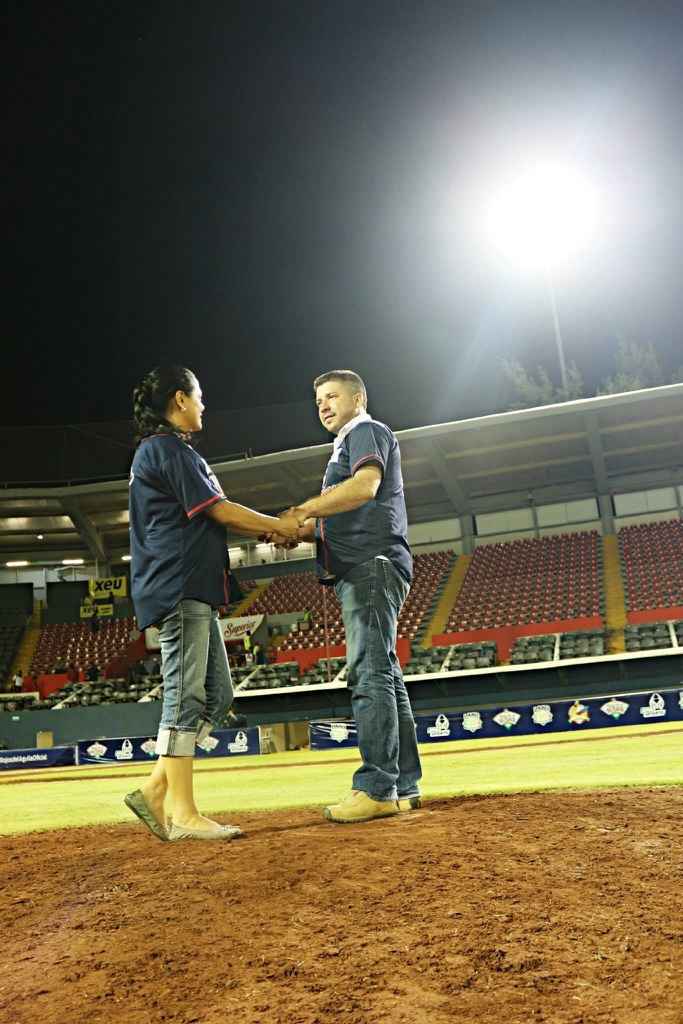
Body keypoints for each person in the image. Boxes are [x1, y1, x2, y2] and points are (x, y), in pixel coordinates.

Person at [124, 365, 298, 843]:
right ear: (180, 399)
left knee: (218, 698)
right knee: (185, 696)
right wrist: (281, 526)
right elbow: (218, 510)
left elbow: (212, 516)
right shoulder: (165, 448)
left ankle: (156, 789)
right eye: (199, 397)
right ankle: (182, 812)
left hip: (194, 584)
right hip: (178, 584)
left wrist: (266, 528)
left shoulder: (167, 451)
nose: (203, 406)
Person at [280, 369, 422, 823]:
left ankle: (377, 786)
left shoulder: (365, 430)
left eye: (332, 395)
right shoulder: (348, 440)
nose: (322, 404)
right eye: (318, 398)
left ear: (358, 397)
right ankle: (403, 784)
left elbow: (365, 487)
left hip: (371, 565)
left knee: (369, 672)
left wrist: (303, 510)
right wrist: (303, 530)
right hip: (368, 564)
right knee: (385, 673)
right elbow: (344, 513)